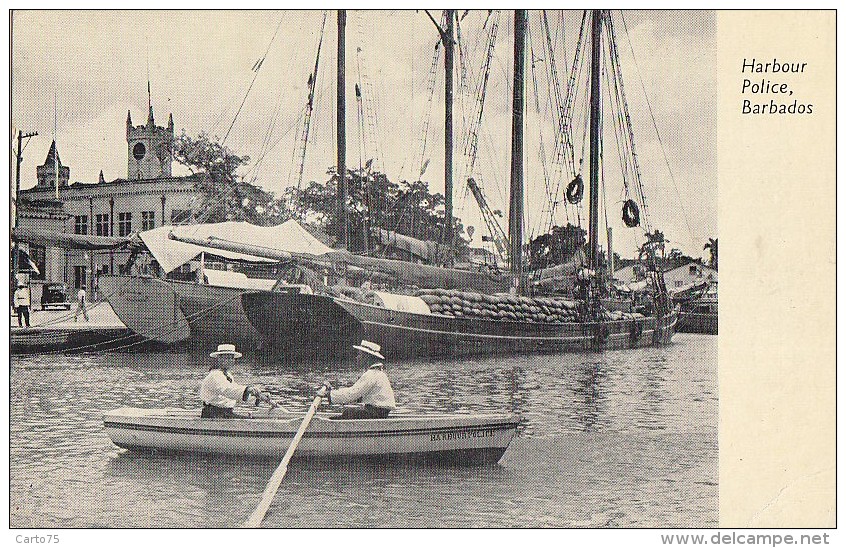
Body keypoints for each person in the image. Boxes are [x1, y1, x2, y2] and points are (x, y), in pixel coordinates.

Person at [318, 339, 396, 419]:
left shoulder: (371, 374)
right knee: (349, 412)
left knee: (348, 412)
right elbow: (356, 394)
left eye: (359, 354)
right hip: (379, 412)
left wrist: (328, 394)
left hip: (376, 413)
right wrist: (333, 391)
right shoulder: (378, 373)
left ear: (366, 357)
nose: (357, 357)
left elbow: (353, 393)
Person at [200, 343, 269, 418]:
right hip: (213, 414)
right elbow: (228, 390)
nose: (230, 361)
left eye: (232, 358)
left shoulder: (228, 375)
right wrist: (248, 389)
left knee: (251, 418)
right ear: (219, 359)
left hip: (225, 413)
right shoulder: (214, 375)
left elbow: (235, 394)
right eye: (226, 358)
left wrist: (258, 397)